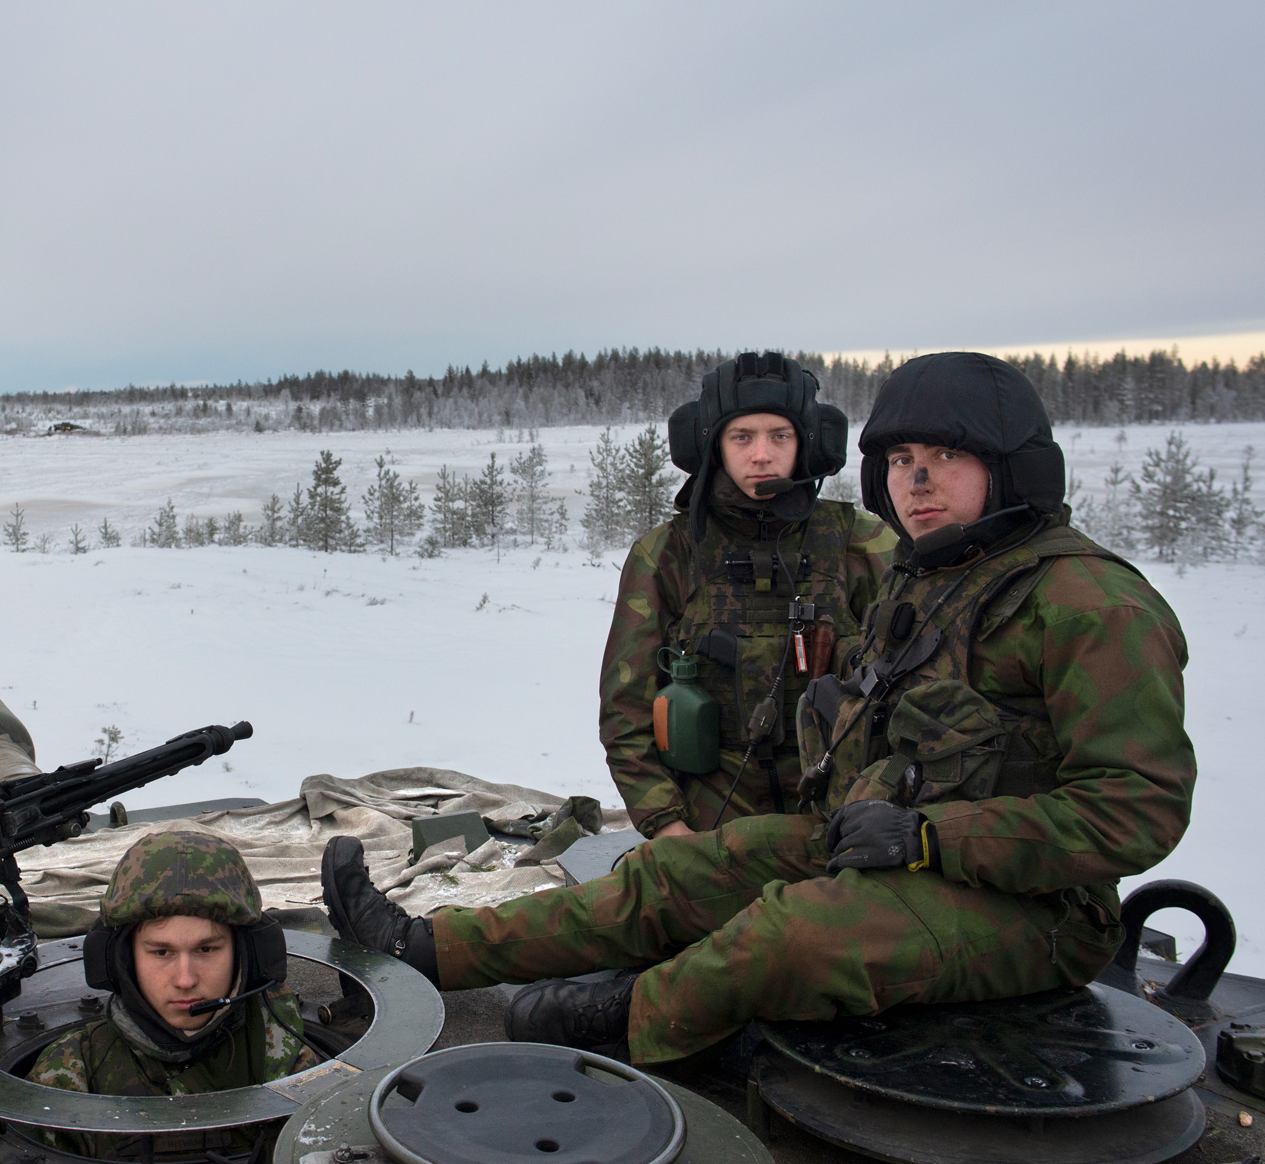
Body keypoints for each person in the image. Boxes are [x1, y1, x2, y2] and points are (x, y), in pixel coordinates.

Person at [322, 352, 1194, 1064]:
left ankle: (638, 1020)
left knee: (790, 932)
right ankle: (432, 947)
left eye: (947, 458)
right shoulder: (926, 578)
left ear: (1009, 466)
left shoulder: (1088, 603)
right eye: (900, 461)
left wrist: (933, 837)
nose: (917, 480)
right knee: (673, 875)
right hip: (883, 845)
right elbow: (640, 707)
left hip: (1030, 906)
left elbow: (1136, 809)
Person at [605, 352, 897, 838]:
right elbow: (626, 712)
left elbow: (911, 688)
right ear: (715, 445)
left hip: (840, 809)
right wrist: (667, 826)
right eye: (742, 436)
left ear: (805, 444)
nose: (761, 454)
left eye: (779, 436)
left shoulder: (862, 544)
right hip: (709, 815)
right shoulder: (669, 554)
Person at [30, 830, 323, 1158]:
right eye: (161, 953)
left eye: (207, 949)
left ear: (247, 954)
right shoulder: (72, 1073)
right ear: (122, 959)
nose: (185, 980)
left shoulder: (284, 1054)